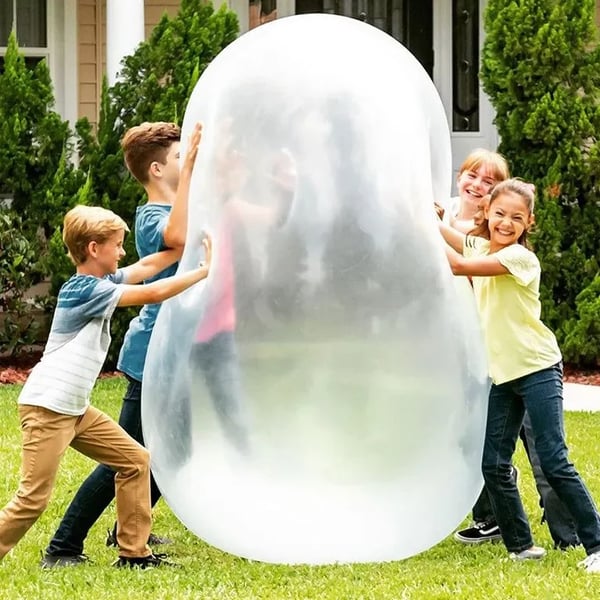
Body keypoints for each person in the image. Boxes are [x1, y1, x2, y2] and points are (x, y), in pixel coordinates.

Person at [0, 204, 211, 569]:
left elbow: (145, 269)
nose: (123, 252)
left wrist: (181, 249)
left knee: (135, 461)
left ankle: (134, 554)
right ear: (94, 249)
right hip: (48, 408)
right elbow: (153, 293)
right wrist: (202, 272)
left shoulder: (101, 282)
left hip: (76, 410)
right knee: (32, 499)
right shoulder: (83, 290)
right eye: (117, 245)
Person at [41, 121, 202, 568]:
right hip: (151, 352)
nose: (185, 162)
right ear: (156, 169)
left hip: (178, 350)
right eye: (174, 158)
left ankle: (129, 529)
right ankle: (63, 545)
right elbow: (177, 240)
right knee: (126, 454)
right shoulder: (154, 216)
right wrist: (189, 166)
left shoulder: (183, 207)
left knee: (175, 449)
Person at [440, 178, 600, 571]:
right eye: (499, 214)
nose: (506, 223)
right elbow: (445, 233)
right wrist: (421, 213)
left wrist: (429, 231)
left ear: (528, 222)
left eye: (516, 217)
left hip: (538, 368)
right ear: (487, 214)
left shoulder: (520, 260)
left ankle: (597, 544)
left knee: (554, 460)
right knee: (493, 463)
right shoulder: (480, 244)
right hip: (503, 375)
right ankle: (520, 545)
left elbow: (459, 265)